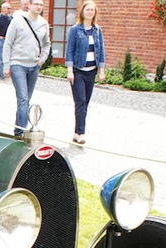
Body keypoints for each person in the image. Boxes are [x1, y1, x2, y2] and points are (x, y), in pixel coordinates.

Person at [3, 0, 50, 138]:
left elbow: (47, 44)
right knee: (23, 98)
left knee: (25, 100)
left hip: (34, 66)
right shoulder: (18, 21)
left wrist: (42, 60)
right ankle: (22, 131)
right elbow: (8, 43)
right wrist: (6, 65)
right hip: (18, 64)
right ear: (29, 5)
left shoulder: (43, 24)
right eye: (36, 4)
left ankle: (18, 130)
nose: (39, 7)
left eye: (41, 5)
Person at [65, 0, 105, 145]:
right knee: (80, 102)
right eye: (87, 9)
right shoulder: (75, 30)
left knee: (85, 103)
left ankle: (76, 132)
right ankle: (81, 133)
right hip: (78, 71)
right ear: (82, 12)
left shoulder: (97, 30)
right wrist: (70, 70)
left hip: (91, 71)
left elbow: (101, 52)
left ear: (95, 13)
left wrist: (101, 70)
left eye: (92, 10)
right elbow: (69, 50)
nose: (90, 12)